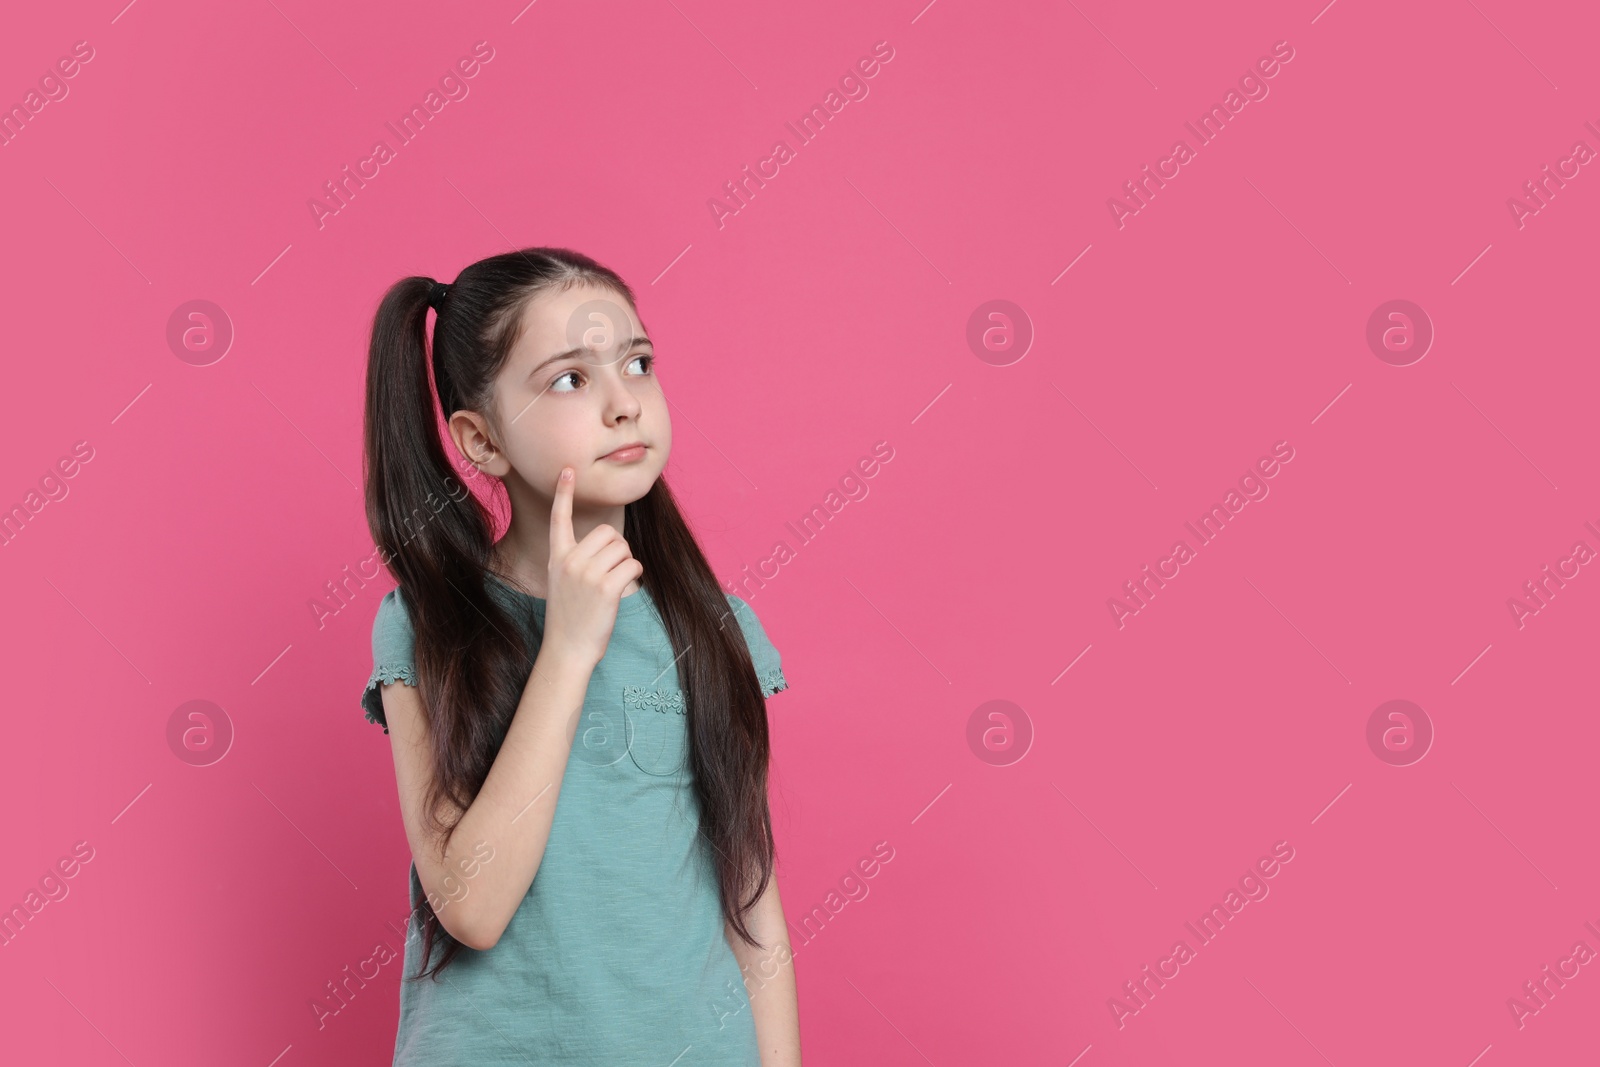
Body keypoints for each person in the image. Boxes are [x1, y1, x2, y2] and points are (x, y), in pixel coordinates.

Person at [358, 246, 800, 1065]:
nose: (624, 405)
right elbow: (473, 908)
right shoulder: (426, 624)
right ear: (481, 439)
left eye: (636, 363)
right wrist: (566, 649)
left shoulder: (717, 629)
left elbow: (753, 903)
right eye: (570, 379)